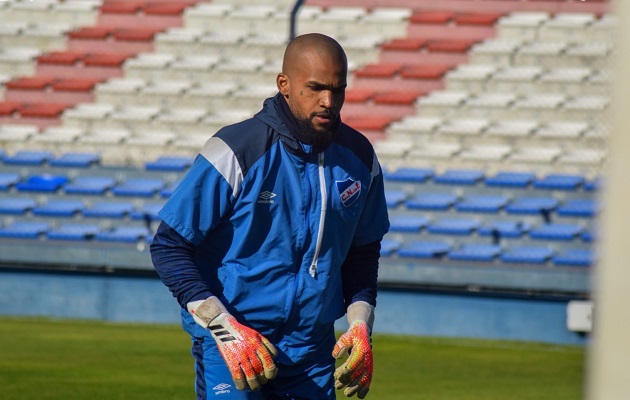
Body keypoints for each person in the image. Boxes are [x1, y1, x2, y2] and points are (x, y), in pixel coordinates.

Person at [150, 33, 390, 400]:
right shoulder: (235, 149)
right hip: (233, 341)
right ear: (285, 85)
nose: (329, 102)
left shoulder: (360, 158)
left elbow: (362, 252)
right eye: (316, 88)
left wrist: (360, 326)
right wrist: (223, 326)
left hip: (311, 351)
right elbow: (169, 245)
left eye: (338, 90)